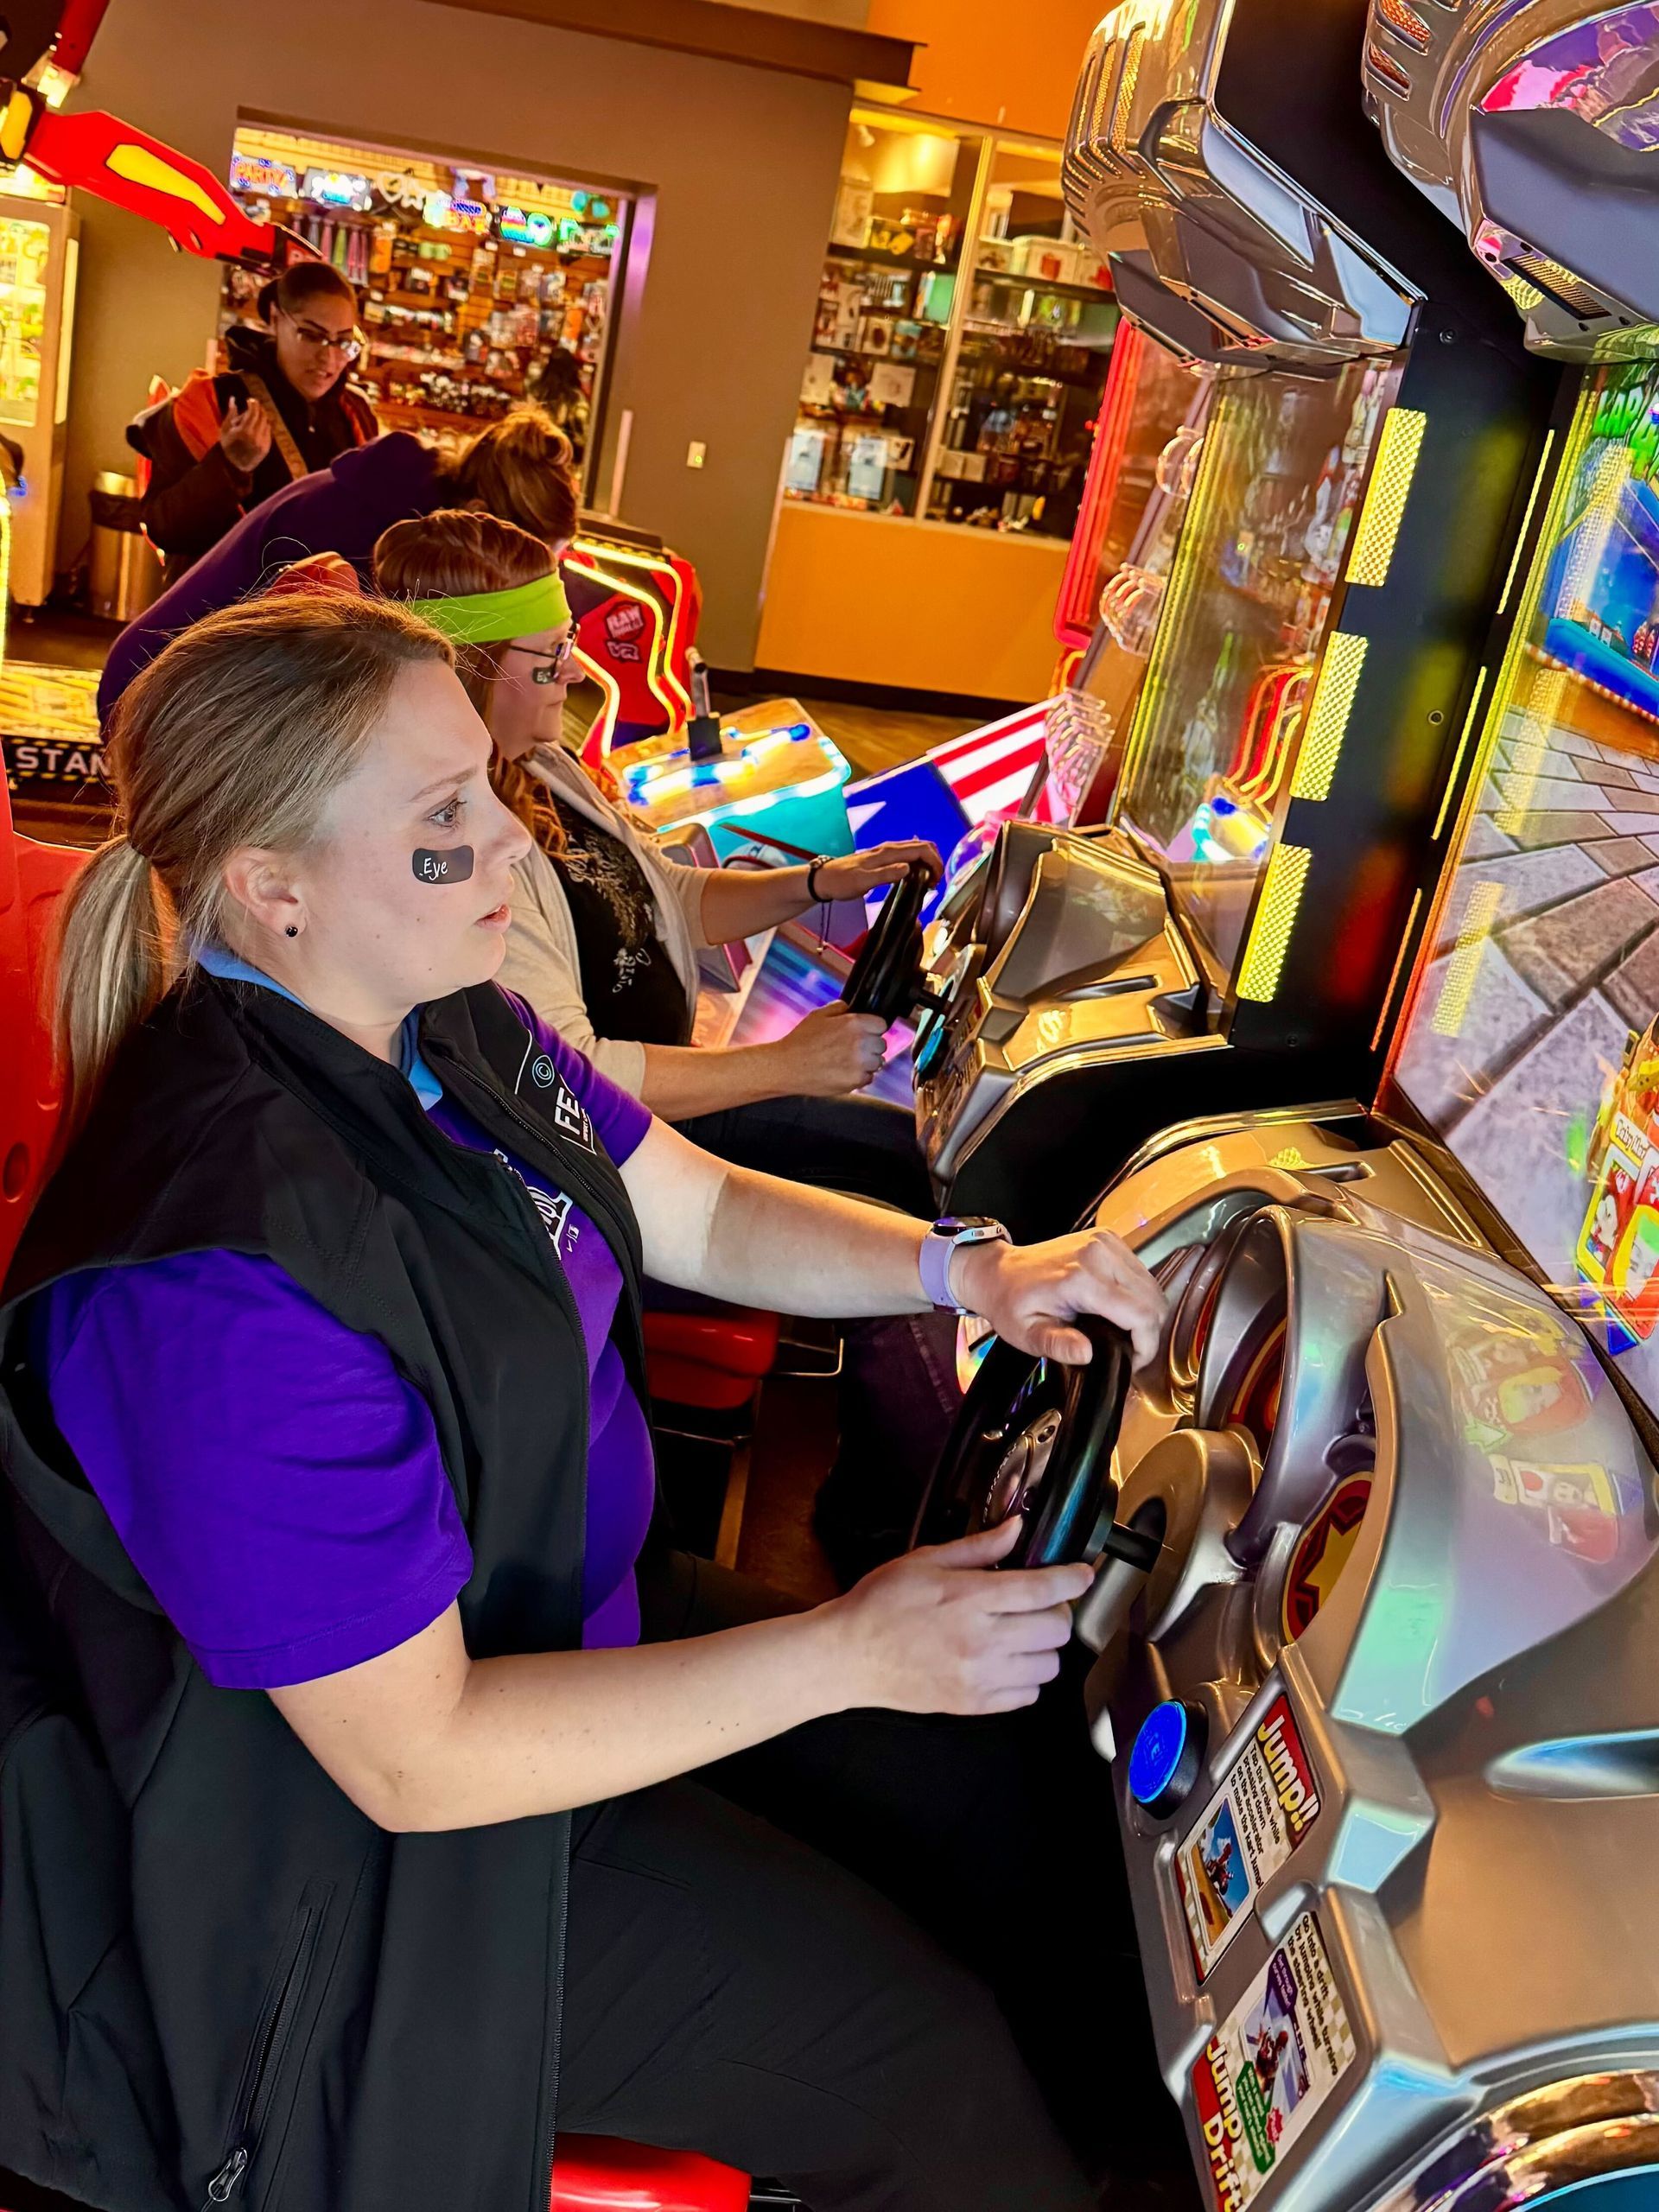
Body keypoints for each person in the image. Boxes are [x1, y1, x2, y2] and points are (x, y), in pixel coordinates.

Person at [0, 593, 1173, 2212]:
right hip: (370, 1893)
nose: (506, 843)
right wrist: (847, 1649)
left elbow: (687, 1206)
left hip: (561, 1627)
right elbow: (418, 1763)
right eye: (443, 819)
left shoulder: (449, 1027)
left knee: (1022, 1823)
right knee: (933, 2068)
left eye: (484, 788)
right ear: (272, 891)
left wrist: (967, 1271)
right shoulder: (213, 1285)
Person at [372, 509, 939, 1206]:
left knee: (915, 1152)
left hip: (667, 1104)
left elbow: (666, 896)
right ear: (473, 671)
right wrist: (784, 1065)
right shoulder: (465, 852)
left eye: (569, 643)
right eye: (550, 656)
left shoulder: (543, 766)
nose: (574, 671)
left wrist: (821, 881)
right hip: (608, 1154)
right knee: (910, 1172)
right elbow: (575, 1073)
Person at [99, 402, 577, 718]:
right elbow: (329, 699)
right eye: (528, 560)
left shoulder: (396, 503)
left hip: (193, 687)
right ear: (486, 523)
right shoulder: (371, 543)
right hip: (155, 696)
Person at [127, 260, 378, 581]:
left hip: (320, 623)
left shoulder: (356, 415)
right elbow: (164, 528)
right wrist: (228, 467)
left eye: (343, 342)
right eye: (311, 336)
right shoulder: (212, 401)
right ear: (275, 319)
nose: (328, 358)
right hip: (226, 620)